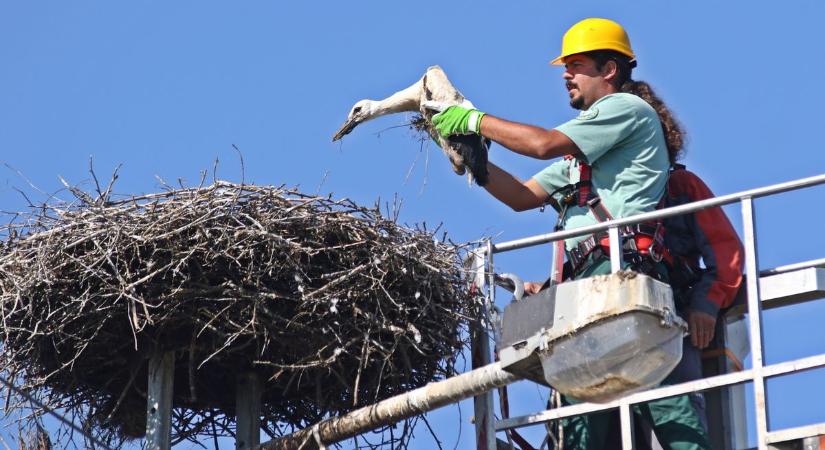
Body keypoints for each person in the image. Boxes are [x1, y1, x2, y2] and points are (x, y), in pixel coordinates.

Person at [429, 17, 719, 450]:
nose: (566, 74)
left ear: (610, 70)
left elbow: (542, 143)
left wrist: (473, 120)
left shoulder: (626, 110)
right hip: (584, 291)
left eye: (577, 64)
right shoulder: (582, 161)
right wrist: (475, 161)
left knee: (663, 404)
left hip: (623, 278)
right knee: (579, 421)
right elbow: (523, 196)